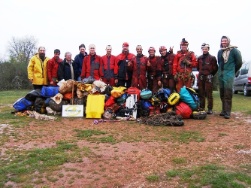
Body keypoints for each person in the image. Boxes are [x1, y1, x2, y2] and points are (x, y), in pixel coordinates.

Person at [217, 36, 242, 119]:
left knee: (228, 93)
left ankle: (227, 112)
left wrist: (233, 71)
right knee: (222, 93)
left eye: (225, 40)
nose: (224, 42)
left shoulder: (234, 51)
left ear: (228, 41)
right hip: (221, 74)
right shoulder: (220, 52)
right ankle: (223, 110)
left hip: (229, 74)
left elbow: (239, 62)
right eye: (222, 41)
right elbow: (219, 62)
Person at [197, 43, 218, 114]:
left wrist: (211, 74)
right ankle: (202, 107)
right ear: (202, 49)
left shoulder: (212, 58)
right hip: (201, 77)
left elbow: (215, 68)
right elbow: (198, 67)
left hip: (208, 77)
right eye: (203, 49)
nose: (204, 50)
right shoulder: (199, 58)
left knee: (209, 93)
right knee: (201, 93)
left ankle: (210, 108)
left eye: (206, 49)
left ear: (208, 49)